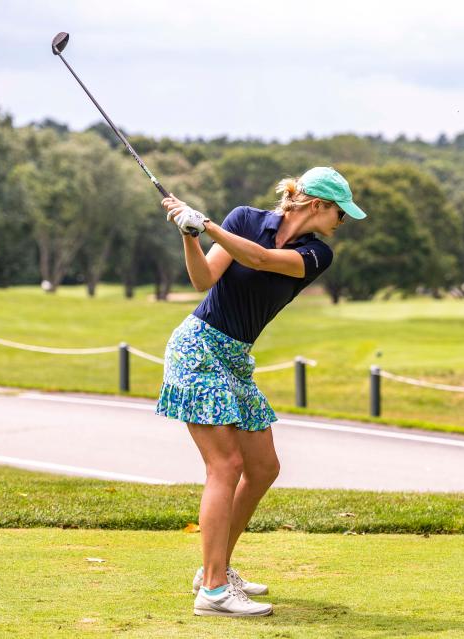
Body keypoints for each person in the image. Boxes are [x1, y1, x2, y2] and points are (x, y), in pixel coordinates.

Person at [156, 167, 366, 617]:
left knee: (263, 466)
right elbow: (202, 280)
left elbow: (263, 261)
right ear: (317, 206)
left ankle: (215, 567)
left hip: (235, 358)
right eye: (339, 212)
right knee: (225, 464)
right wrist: (190, 235)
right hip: (199, 347)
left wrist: (206, 224)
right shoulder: (244, 219)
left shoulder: (316, 253)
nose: (341, 222)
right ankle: (212, 591)